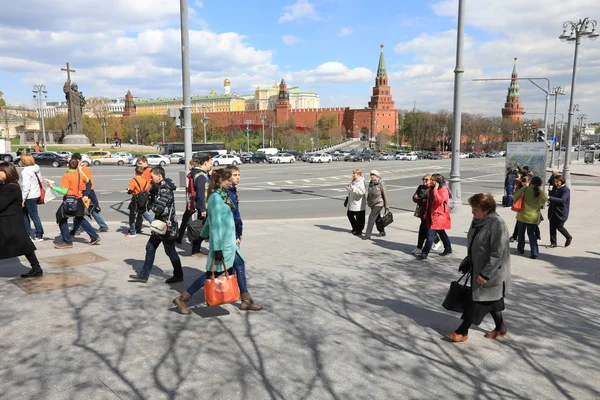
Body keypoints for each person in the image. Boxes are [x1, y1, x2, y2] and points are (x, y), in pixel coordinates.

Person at [172, 168, 262, 314]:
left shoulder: (223, 195)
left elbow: (209, 221)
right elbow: (216, 224)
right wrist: (217, 248)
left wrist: (201, 237)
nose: (230, 182)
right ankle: (182, 299)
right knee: (211, 274)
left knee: (239, 265)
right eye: (228, 180)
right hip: (223, 245)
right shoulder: (215, 198)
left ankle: (246, 300)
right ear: (221, 181)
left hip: (229, 242)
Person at [446, 193, 511, 342]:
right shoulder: (478, 220)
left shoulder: (497, 224)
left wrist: (485, 274)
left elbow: (498, 253)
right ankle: (500, 328)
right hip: (478, 267)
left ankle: (462, 331)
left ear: (486, 209)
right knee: (492, 300)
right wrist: (469, 260)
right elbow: (475, 243)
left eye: (475, 208)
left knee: (478, 301)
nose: (472, 211)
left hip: (492, 272)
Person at [129, 166, 183, 283]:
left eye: (152, 177)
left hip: (167, 227)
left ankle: (178, 274)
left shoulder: (165, 190)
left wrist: (149, 205)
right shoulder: (157, 188)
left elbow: (159, 208)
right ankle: (144, 275)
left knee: (170, 250)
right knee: (150, 248)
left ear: (159, 176)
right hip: (160, 225)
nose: (151, 179)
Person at [0, 162, 43, 278]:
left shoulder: (11, 188)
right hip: (10, 221)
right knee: (25, 245)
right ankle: (36, 268)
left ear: (7, 172)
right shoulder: (8, 184)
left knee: (25, 245)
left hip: (10, 222)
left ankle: (37, 268)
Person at [46, 159, 100, 249]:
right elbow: (87, 181)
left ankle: (67, 241)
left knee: (61, 218)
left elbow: (65, 191)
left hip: (69, 200)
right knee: (79, 218)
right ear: (77, 166)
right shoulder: (79, 174)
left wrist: (53, 187)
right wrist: (81, 170)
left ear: (68, 165)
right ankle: (94, 236)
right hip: (79, 199)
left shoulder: (67, 176)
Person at [176, 157, 210, 245]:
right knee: (200, 222)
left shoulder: (193, 174)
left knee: (186, 219)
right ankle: (198, 240)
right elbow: (201, 192)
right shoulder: (201, 175)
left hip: (192, 201)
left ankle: (180, 237)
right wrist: (203, 208)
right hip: (199, 202)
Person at [71, 153, 109, 233]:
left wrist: (85, 194)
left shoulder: (84, 169)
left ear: (79, 160)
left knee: (84, 210)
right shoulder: (79, 169)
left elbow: (87, 182)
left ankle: (76, 230)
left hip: (86, 192)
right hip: (85, 192)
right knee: (89, 210)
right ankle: (102, 225)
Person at [513, 176, 548, 259]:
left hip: (522, 215)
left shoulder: (525, 189)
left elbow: (515, 197)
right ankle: (534, 252)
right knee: (532, 234)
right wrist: (538, 204)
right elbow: (545, 200)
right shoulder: (539, 191)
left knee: (521, 233)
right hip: (534, 217)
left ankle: (521, 248)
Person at [419, 173, 452, 259]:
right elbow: (429, 203)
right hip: (431, 214)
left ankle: (425, 252)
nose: (431, 181)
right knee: (441, 233)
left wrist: (436, 190)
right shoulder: (431, 188)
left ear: (438, 182)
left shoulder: (443, 190)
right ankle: (448, 248)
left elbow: (439, 201)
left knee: (430, 234)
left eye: (433, 180)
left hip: (438, 216)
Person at [19, 153, 45, 242]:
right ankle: (36, 233)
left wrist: (22, 199)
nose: (20, 161)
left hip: (29, 196)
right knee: (32, 215)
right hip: (36, 194)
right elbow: (40, 180)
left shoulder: (25, 172)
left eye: (21, 159)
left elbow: (25, 187)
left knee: (28, 215)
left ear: (24, 161)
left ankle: (36, 234)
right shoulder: (36, 168)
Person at [125, 166, 153, 237]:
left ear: (135, 172)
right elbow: (147, 189)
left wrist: (128, 189)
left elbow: (129, 190)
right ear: (142, 173)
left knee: (132, 216)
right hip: (142, 201)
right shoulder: (145, 181)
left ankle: (133, 231)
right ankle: (155, 227)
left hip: (135, 201)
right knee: (146, 214)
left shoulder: (133, 180)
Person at [547, 174, 572, 248]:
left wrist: (549, 197)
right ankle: (553, 243)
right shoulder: (555, 188)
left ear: (562, 181)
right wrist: (550, 192)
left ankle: (568, 237)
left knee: (559, 226)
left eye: (557, 182)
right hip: (552, 211)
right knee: (552, 227)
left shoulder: (565, 190)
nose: (556, 183)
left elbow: (562, 200)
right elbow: (551, 196)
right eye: (555, 182)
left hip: (561, 212)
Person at [363, 170, 388, 240]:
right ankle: (382, 231)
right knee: (377, 218)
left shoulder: (381, 184)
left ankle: (367, 235)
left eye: (373, 175)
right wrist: (368, 201)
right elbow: (369, 194)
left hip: (379, 203)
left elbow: (385, 195)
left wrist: (387, 206)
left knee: (371, 217)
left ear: (377, 176)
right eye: (371, 175)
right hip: (372, 203)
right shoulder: (371, 183)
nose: (371, 176)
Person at [411, 174, 431, 255]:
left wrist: (422, 199)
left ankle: (420, 247)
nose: (424, 181)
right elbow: (414, 198)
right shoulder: (420, 187)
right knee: (427, 229)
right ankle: (438, 242)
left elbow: (429, 200)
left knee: (424, 228)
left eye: (426, 179)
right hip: (421, 210)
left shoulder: (431, 188)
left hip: (428, 212)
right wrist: (422, 199)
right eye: (423, 179)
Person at [134, 156, 154, 233]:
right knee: (141, 212)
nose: (138, 165)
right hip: (142, 194)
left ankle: (154, 225)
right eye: (138, 163)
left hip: (146, 193)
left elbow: (152, 182)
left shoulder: (150, 170)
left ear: (145, 162)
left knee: (143, 211)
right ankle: (137, 227)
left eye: (140, 163)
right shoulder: (141, 170)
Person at [346, 169, 366, 236]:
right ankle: (355, 228)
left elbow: (362, 192)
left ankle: (358, 230)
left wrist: (353, 189)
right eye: (353, 173)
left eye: (354, 173)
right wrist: (349, 188)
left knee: (359, 218)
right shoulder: (353, 180)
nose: (353, 175)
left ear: (359, 174)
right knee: (350, 214)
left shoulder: (361, 182)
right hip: (352, 202)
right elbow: (352, 188)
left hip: (358, 203)